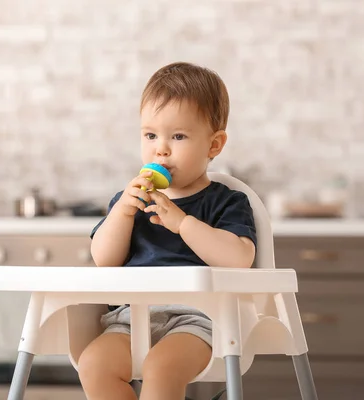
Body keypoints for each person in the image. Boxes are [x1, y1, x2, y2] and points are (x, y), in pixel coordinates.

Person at [78, 62, 258, 400]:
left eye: (178, 136)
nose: (161, 148)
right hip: (130, 318)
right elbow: (104, 260)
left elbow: (239, 258)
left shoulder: (227, 202)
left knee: (160, 368)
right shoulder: (128, 202)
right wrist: (122, 213)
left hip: (199, 319)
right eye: (150, 135)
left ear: (214, 145)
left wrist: (182, 224)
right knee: (92, 364)